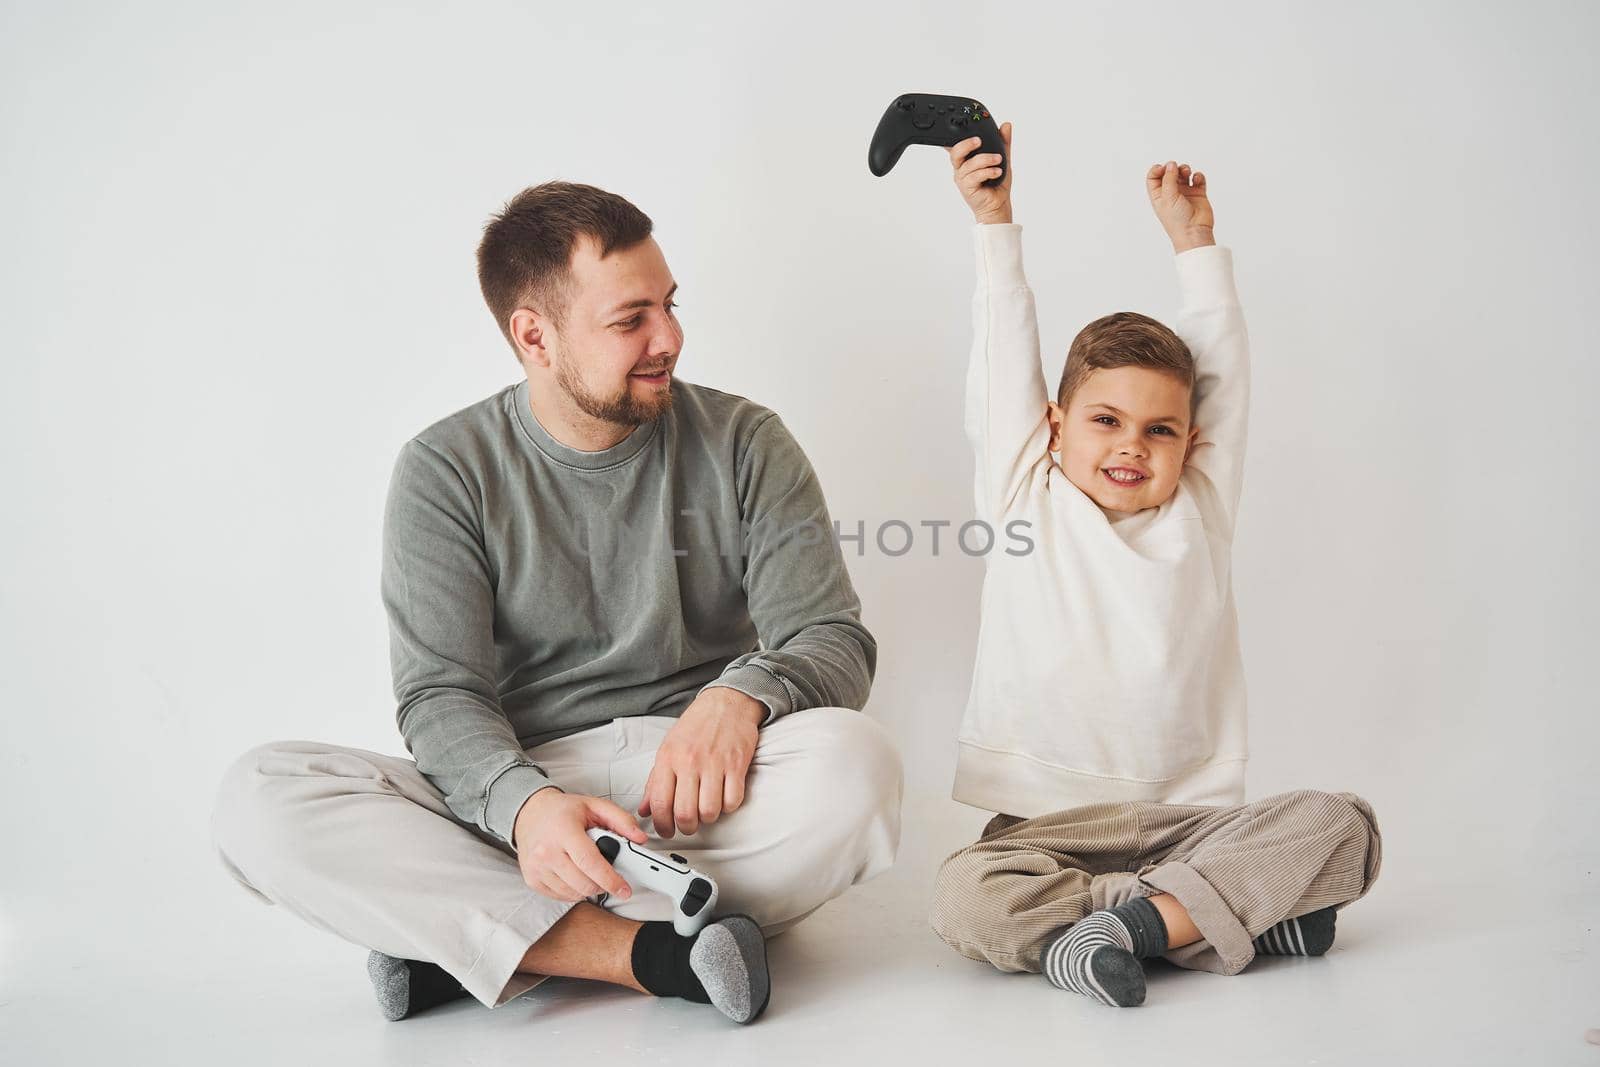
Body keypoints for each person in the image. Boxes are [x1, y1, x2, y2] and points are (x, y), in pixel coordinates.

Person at [210, 181, 903, 1024]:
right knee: (260, 799)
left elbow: (831, 637)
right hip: (526, 795)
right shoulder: (444, 470)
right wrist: (527, 807)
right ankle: (647, 953)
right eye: (630, 319)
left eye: (670, 306)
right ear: (533, 335)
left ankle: (475, 939)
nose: (670, 339)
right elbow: (442, 697)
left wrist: (743, 693)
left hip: (693, 792)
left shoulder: (746, 441)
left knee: (859, 768)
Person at [927, 124, 1381, 1007]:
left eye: (1158, 429)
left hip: (1192, 821)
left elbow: (1225, 377)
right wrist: (995, 220)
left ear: (1190, 444)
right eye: (1105, 421)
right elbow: (1002, 352)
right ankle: (1193, 919)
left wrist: (1194, 244)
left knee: (1344, 828)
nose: (1132, 445)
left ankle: (1126, 931)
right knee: (964, 899)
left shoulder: (1199, 509)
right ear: (1055, 425)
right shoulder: (1027, 493)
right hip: (1044, 828)